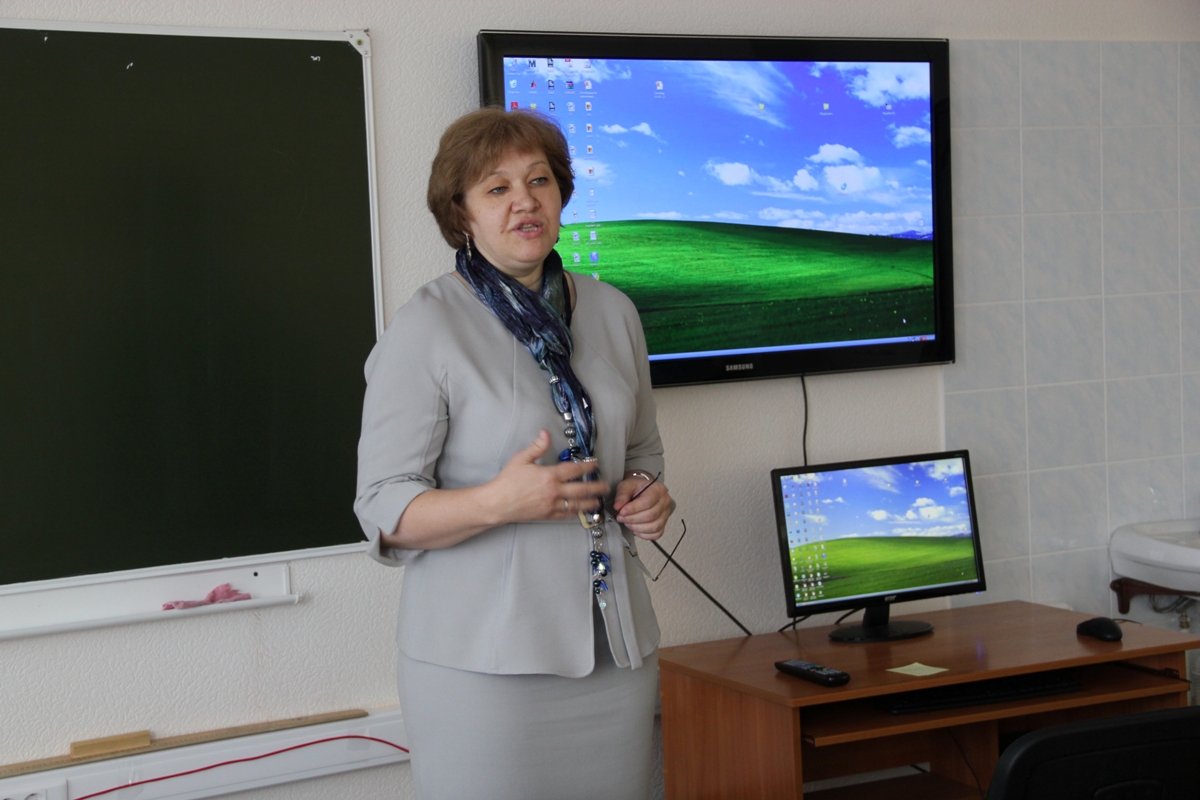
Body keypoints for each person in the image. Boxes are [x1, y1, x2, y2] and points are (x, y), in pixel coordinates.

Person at [354, 107, 674, 800]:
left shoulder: (614, 311)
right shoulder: (426, 326)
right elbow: (381, 508)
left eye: (539, 181)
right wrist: (499, 503)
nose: (524, 201)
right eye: (496, 188)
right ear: (460, 213)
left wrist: (644, 491)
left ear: (561, 195)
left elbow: (642, 449)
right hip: (482, 669)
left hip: (616, 652)